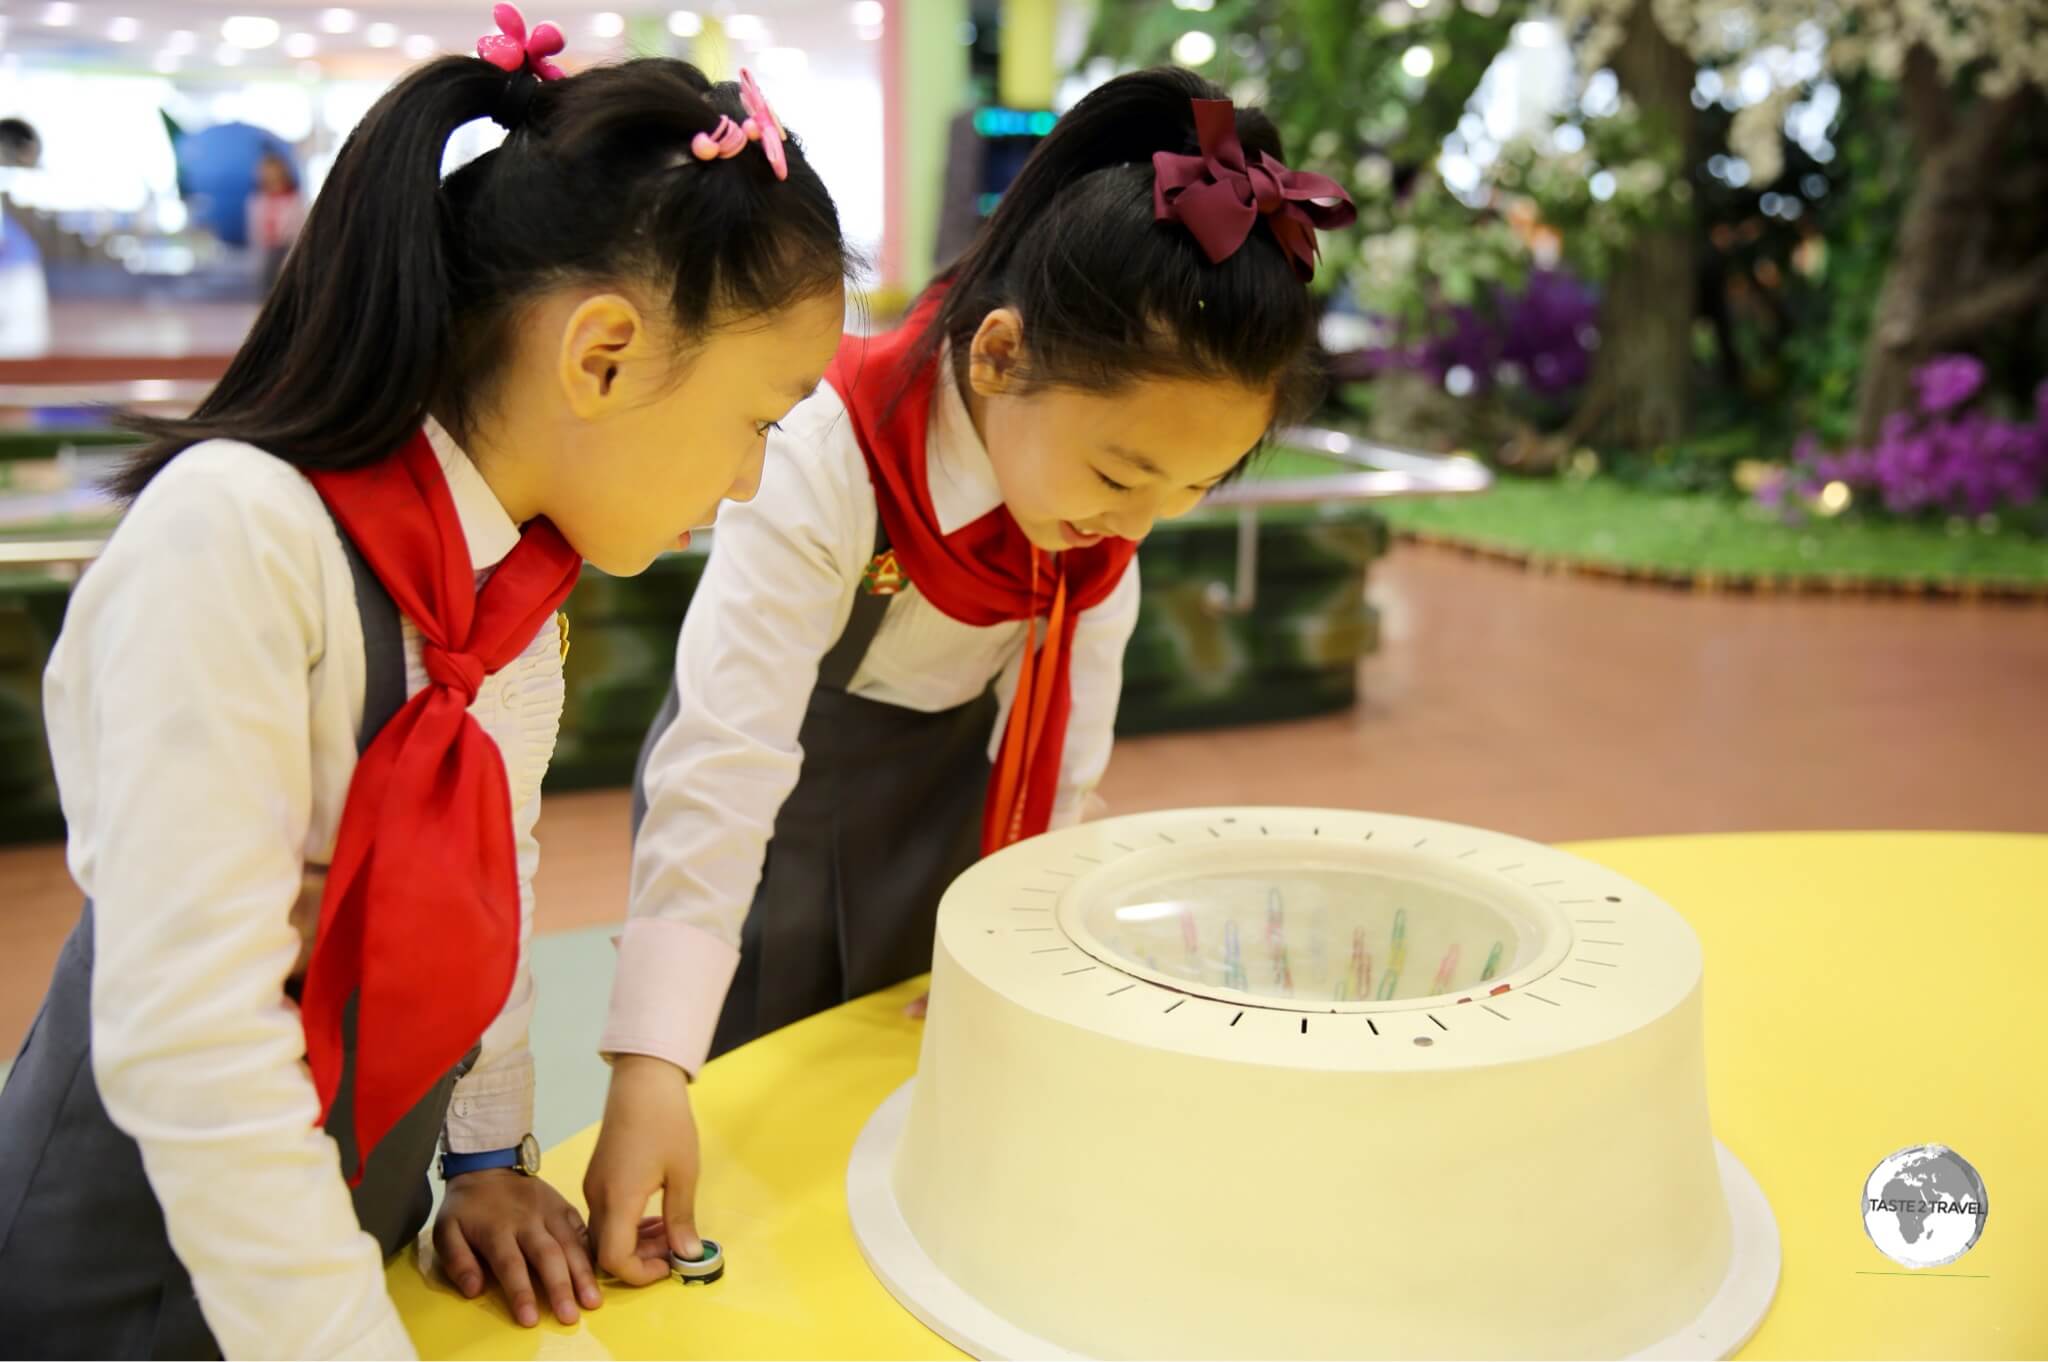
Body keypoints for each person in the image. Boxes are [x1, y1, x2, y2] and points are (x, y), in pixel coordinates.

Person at [0, 5, 848, 1354]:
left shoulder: (505, 593)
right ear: (603, 353)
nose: (748, 480)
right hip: (133, 1261)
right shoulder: (238, 541)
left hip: (351, 1227)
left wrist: (487, 1148)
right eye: (756, 419)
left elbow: (485, 874)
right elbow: (194, 1045)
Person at [587, 66, 1355, 1278]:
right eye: (1118, 477)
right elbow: (726, 757)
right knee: (752, 1109)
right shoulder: (831, 447)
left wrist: (1023, 951)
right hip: (779, 803)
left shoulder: (1097, 530)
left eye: (1193, 491)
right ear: (997, 358)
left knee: (900, 1099)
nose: (1138, 531)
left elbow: (1061, 777)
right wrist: (646, 1069)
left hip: (955, 795)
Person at [246, 149, 306, 291]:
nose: (270, 175)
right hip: (265, 251)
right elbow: (254, 232)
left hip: (288, 249)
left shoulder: (296, 200)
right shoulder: (256, 201)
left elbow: (300, 230)